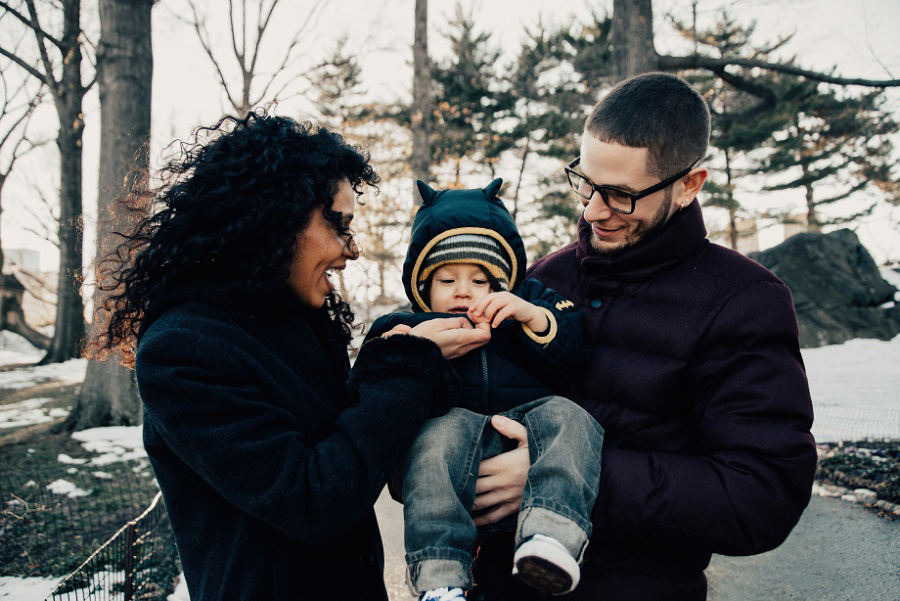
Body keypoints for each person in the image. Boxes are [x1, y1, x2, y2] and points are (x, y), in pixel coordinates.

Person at [91, 112, 491, 601]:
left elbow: (352, 434)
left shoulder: (295, 317)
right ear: (274, 217)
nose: (352, 251)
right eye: (338, 224)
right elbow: (314, 499)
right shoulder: (183, 351)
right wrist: (410, 363)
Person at [467, 73, 818, 600]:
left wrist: (566, 478)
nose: (591, 211)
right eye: (585, 182)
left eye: (621, 195)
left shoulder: (744, 301)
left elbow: (762, 495)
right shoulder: (545, 278)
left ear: (689, 185)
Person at [367, 179, 604, 601]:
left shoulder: (530, 300)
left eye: (481, 280)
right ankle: (439, 575)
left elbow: (572, 353)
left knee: (573, 418)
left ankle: (551, 537)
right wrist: (410, 347)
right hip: (454, 438)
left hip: (529, 418)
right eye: (446, 278)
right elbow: (367, 378)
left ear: (504, 283)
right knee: (436, 436)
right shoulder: (406, 324)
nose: (463, 290)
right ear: (423, 287)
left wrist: (533, 318)